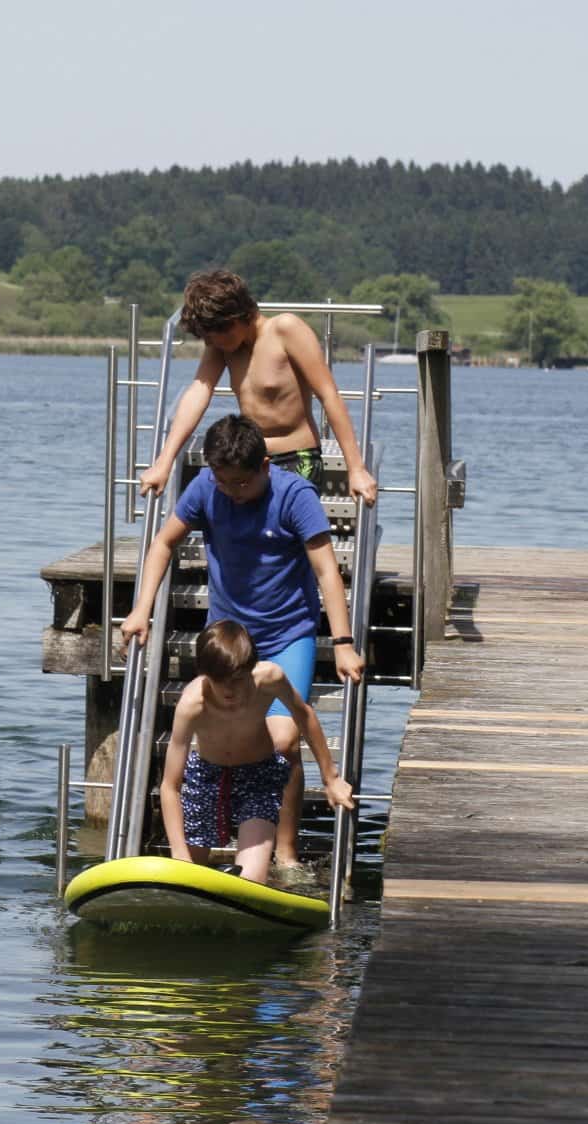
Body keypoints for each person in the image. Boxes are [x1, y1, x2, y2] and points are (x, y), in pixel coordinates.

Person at [122, 414, 364, 866]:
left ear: (266, 466)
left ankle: (286, 852)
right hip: (228, 638)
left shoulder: (296, 495)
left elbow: (326, 570)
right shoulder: (204, 490)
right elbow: (162, 544)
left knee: (283, 739)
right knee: (223, 733)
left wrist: (343, 641)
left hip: (288, 631)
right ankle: (220, 837)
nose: (233, 490)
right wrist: (141, 609)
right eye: (223, 481)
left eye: (242, 482)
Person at [138, 269, 377, 506]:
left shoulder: (286, 329)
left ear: (233, 320)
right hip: (245, 462)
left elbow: (329, 395)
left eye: (212, 336)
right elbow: (199, 391)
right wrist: (164, 462)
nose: (210, 343)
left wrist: (356, 468)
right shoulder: (223, 347)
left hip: (296, 458)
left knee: (287, 542)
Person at [162, 621, 354, 882]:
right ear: (204, 674)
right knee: (188, 873)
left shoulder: (269, 679)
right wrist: (177, 851)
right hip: (207, 778)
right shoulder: (192, 704)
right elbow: (170, 786)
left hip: (258, 778)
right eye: (220, 682)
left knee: (250, 877)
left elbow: (304, 715)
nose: (229, 690)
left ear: (251, 670)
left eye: (237, 681)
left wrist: (330, 778)